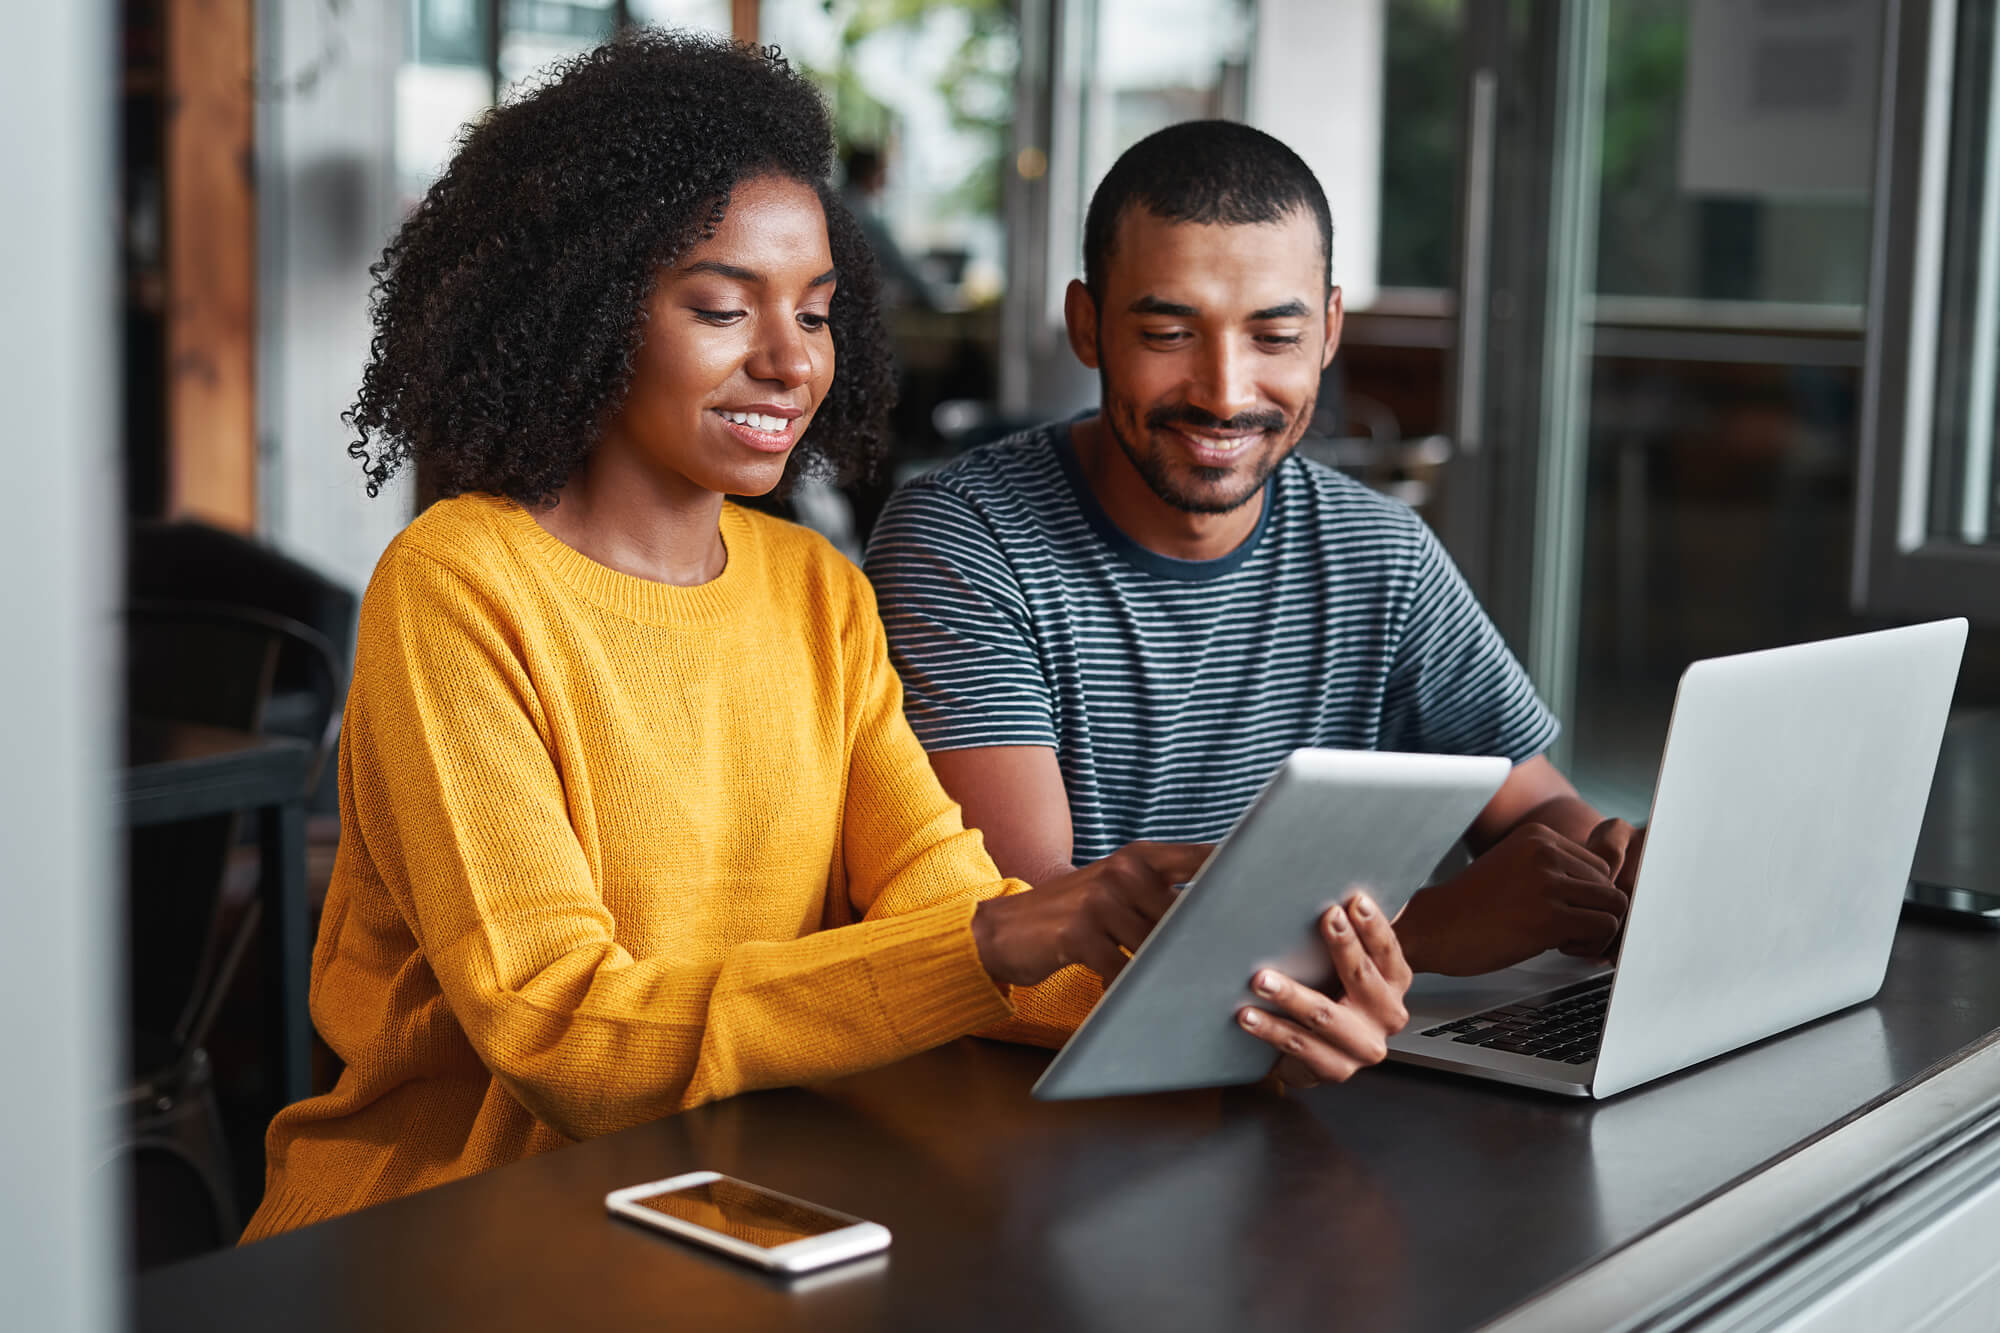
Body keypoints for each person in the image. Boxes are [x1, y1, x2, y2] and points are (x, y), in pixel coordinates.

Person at [243, 39, 1411, 1242]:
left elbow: (943, 916)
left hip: (720, 1212)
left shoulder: (817, 592)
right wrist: (1002, 932)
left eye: (814, 312)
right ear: (582, 307)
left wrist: (1254, 1011)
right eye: (719, 307)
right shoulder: (458, 585)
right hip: (441, 1239)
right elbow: (566, 1037)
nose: (789, 360)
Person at [864, 120, 1644, 989]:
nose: (1225, 393)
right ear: (1087, 326)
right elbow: (1033, 926)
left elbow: (1534, 808)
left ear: (1330, 329)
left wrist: (1609, 864)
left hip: (1321, 1075)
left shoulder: (1378, 551)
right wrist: (1417, 931)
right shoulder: (965, 540)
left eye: (1275, 337)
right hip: (1044, 1093)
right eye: (1168, 334)